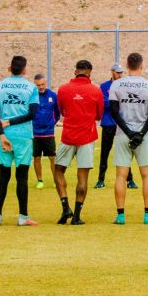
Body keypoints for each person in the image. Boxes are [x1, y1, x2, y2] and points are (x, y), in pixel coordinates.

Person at [108, 52, 148, 224]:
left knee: (121, 176)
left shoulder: (117, 85)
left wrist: (129, 133)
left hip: (123, 134)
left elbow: (114, 113)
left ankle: (121, 214)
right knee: (146, 175)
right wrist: (140, 134)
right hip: (142, 136)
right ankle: (147, 214)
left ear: (127, 66)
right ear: (141, 66)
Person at [0, 57, 40, 227]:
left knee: (3, 176)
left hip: (4, 136)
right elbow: (32, 114)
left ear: (9, 67)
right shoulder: (31, 87)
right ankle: (22, 216)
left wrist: (2, 133)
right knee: (22, 177)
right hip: (23, 136)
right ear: (24, 69)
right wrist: (11, 122)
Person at [54, 60, 103, 225]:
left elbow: (61, 111)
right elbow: (99, 115)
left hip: (68, 136)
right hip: (87, 137)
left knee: (58, 170)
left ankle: (65, 206)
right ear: (89, 72)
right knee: (82, 177)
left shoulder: (63, 89)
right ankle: (77, 215)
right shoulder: (95, 91)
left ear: (75, 71)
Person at [96, 63, 135, 190]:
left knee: (125, 151)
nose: (120, 74)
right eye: (118, 72)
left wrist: (115, 102)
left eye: (121, 72)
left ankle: (130, 180)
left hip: (121, 124)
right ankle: (101, 180)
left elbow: (127, 102)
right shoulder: (104, 86)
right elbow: (104, 103)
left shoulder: (125, 86)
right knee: (105, 152)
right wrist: (117, 102)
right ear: (112, 72)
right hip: (108, 123)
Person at [31, 73, 60, 190]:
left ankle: (55, 180)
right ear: (35, 85)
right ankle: (40, 180)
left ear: (45, 83)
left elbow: (57, 113)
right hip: (35, 133)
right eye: (38, 85)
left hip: (48, 133)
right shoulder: (32, 97)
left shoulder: (53, 95)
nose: (41, 87)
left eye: (42, 84)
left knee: (52, 157)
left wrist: (51, 123)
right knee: (36, 157)